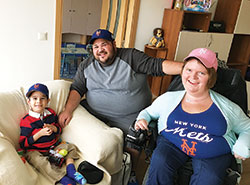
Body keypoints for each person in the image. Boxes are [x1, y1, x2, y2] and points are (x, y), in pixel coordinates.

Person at [58, 29, 183, 184]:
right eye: (95, 47)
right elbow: (77, 88)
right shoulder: (86, 65)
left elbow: (157, 66)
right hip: (96, 112)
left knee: (137, 137)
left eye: (104, 44)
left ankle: (129, 173)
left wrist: (188, 69)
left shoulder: (131, 57)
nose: (100, 50)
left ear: (114, 44)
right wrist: (67, 110)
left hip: (130, 116)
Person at [134, 48, 250, 185]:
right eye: (189, 70)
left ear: (211, 77)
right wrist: (142, 119)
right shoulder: (168, 99)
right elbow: (148, 112)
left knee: (209, 178)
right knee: (160, 162)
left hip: (212, 152)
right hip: (173, 143)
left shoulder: (226, 107)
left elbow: (247, 127)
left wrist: (243, 143)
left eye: (201, 73)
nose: (192, 77)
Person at [19, 83, 87, 185]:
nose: (38, 102)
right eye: (35, 98)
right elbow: (23, 144)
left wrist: (54, 128)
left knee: (71, 147)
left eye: (42, 98)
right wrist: (39, 134)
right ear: (29, 101)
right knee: (38, 161)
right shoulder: (26, 121)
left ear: (48, 101)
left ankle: (71, 171)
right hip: (36, 151)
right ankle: (62, 178)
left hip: (53, 148)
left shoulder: (51, 113)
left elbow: (59, 130)